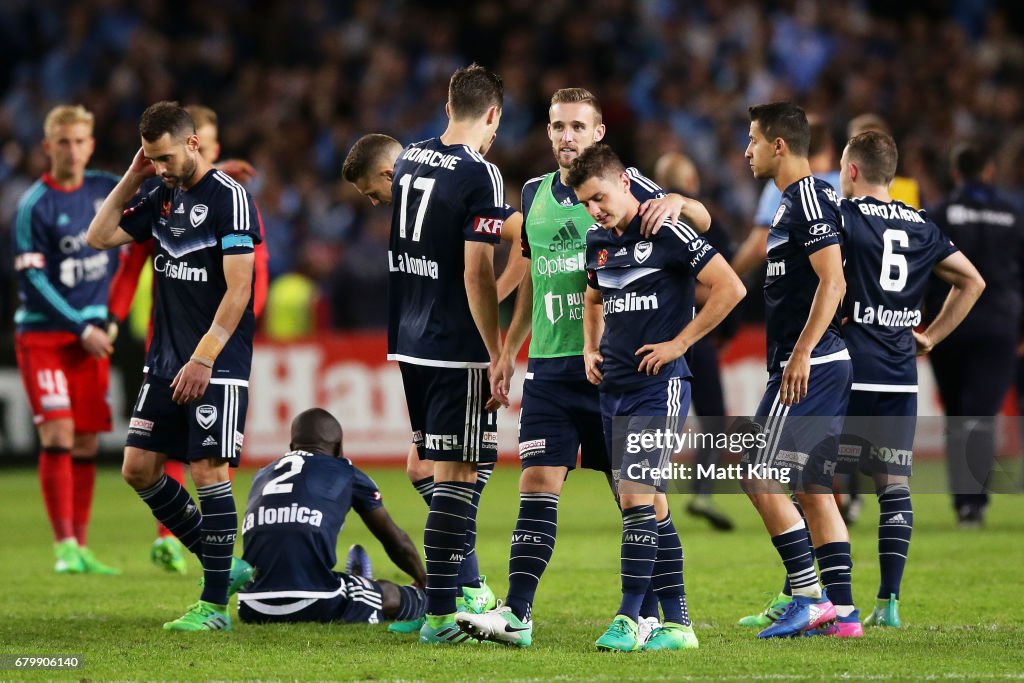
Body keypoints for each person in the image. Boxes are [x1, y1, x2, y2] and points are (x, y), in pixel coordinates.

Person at [454, 88, 710, 648]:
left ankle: (667, 617)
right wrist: (506, 349)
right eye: (556, 126)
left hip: (613, 369)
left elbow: (701, 219)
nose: (565, 135)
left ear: (597, 134)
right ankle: (516, 615)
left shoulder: (623, 185)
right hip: (549, 364)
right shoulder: (533, 193)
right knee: (536, 482)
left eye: (577, 126)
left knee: (641, 497)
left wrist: (678, 201)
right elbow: (532, 276)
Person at [340, 131, 529, 631]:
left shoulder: (420, 165)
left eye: (368, 192)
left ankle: (451, 605)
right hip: (426, 343)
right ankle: (465, 591)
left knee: (446, 472)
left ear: (386, 173)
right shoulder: (439, 168)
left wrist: (496, 337)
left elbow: (526, 237)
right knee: (435, 470)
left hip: (444, 345)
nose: (374, 201)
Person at [86, 101, 262, 632]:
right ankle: (224, 567)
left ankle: (213, 608)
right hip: (163, 362)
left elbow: (239, 290)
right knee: (138, 468)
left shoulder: (230, 199)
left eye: (164, 157)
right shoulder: (162, 193)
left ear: (192, 144)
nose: (160, 167)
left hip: (216, 364)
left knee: (209, 472)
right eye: (151, 158)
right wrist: (132, 175)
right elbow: (100, 235)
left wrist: (204, 357)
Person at [574, 143, 743, 652]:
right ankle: (679, 623)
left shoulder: (665, 229)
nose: (595, 209)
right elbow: (593, 296)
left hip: (660, 387)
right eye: (585, 202)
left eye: (599, 197)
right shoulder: (597, 242)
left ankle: (628, 619)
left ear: (625, 182)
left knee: (634, 500)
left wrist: (679, 344)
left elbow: (730, 287)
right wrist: (588, 345)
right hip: (613, 390)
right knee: (655, 505)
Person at [836, 131, 983, 627]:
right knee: (893, 487)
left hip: (849, 370)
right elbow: (972, 281)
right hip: (899, 375)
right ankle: (889, 603)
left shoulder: (844, 215)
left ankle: (820, 598)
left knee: (821, 484)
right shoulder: (921, 224)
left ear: (852, 170)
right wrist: (931, 336)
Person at [385, 64, 507, 646]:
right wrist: (496, 350)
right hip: (455, 346)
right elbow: (477, 271)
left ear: (446, 107)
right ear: (492, 116)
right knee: (458, 479)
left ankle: (463, 589)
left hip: (409, 341)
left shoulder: (410, 157)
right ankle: (442, 615)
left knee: (439, 471)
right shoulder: (482, 174)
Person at [739, 102, 857, 639]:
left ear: (779, 145)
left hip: (810, 363)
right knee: (812, 489)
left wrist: (804, 352)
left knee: (754, 471)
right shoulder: (802, 200)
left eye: (754, 140)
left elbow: (833, 282)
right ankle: (844, 614)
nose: (748, 151)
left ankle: (809, 597)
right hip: (815, 362)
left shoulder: (807, 198)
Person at [13, 104, 120, 575]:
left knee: (85, 444)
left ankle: (82, 544)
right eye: (63, 142)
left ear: (90, 145)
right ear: (47, 146)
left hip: (92, 335)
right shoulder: (35, 203)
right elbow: (32, 281)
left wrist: (109, 317)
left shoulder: (105, 190)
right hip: (44, 335)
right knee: (56, 431)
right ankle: (63, 548)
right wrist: (82, 327)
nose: (72, 150)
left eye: (79, 141)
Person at [237, 408, 427, 626]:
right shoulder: (346, 472)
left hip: (251, 604)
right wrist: (423, 579)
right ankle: (423, 598)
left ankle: (357, 581)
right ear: (339, 448)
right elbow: (394, 541)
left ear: (292, 447)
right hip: (314, 600)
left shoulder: (261, 474)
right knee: (391, 593)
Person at [925, 143, 1022, 527]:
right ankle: (973, 504)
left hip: (950, 325)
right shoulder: (1014, 216)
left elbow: (924, 266)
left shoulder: (941, 213)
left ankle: (964, 502)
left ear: (956, 174)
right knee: (981, 414)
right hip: (1000, 325)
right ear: (990, 171)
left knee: (957, 414)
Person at [653, 151, 737, 531]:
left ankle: (653, 498)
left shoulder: (645, 214)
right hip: (691, 335)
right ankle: (701, 491)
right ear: (691, 184)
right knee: (714, 418)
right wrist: (724, 329)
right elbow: (724, 280)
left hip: (652, 333)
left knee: (654, 421)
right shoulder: (701, 219)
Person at [731, 116, 839, 277]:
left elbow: (760, 246)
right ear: (830, 149)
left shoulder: (785, 184)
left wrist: (728, 277)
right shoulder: (849, 184)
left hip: (800, 286)